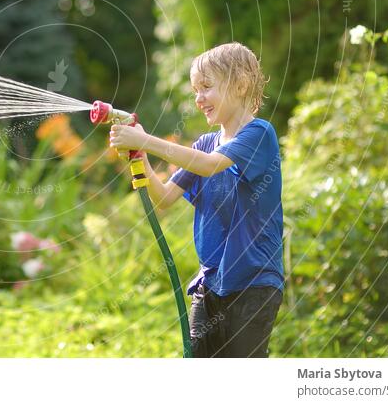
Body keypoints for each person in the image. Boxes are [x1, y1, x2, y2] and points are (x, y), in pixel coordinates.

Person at [109, 42, 284, 358]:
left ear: (241, 84)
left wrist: (145, 140)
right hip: (210, 284)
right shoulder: (205, 143)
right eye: (195, 90)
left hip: (254, 283)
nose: (198, 98)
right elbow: (164, 198)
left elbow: (209, 165)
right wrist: (140, 155)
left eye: (206, 87)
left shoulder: (259, 134)